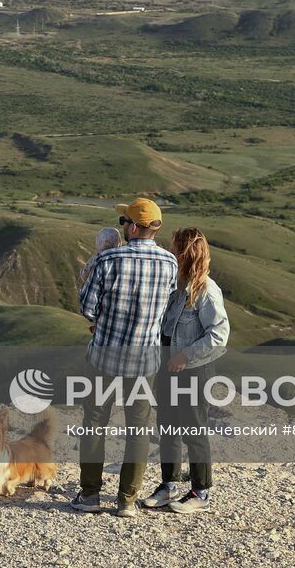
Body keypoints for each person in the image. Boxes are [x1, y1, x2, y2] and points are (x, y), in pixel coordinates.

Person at [71, 197, 177, 518]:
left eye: (124, 223)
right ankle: (127, 500)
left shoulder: (108, 260)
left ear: (131, 227)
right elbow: (170, 314)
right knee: (138, 427)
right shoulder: (170, 263)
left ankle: (89, 495)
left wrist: (101, 322)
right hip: (144, 360)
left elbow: (86, 307)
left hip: (104, 355)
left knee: (94, 422)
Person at [140, 227, 230, 514]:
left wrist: (185, 355)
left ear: (186, 253)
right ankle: (169, 485)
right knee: (167, 427)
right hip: (167, 366)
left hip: (193, 370)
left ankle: (201, 492)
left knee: (194, 430)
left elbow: (219, 334)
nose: (171, 250)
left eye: (175, 247)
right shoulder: (176, 285)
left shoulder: (206, 290)